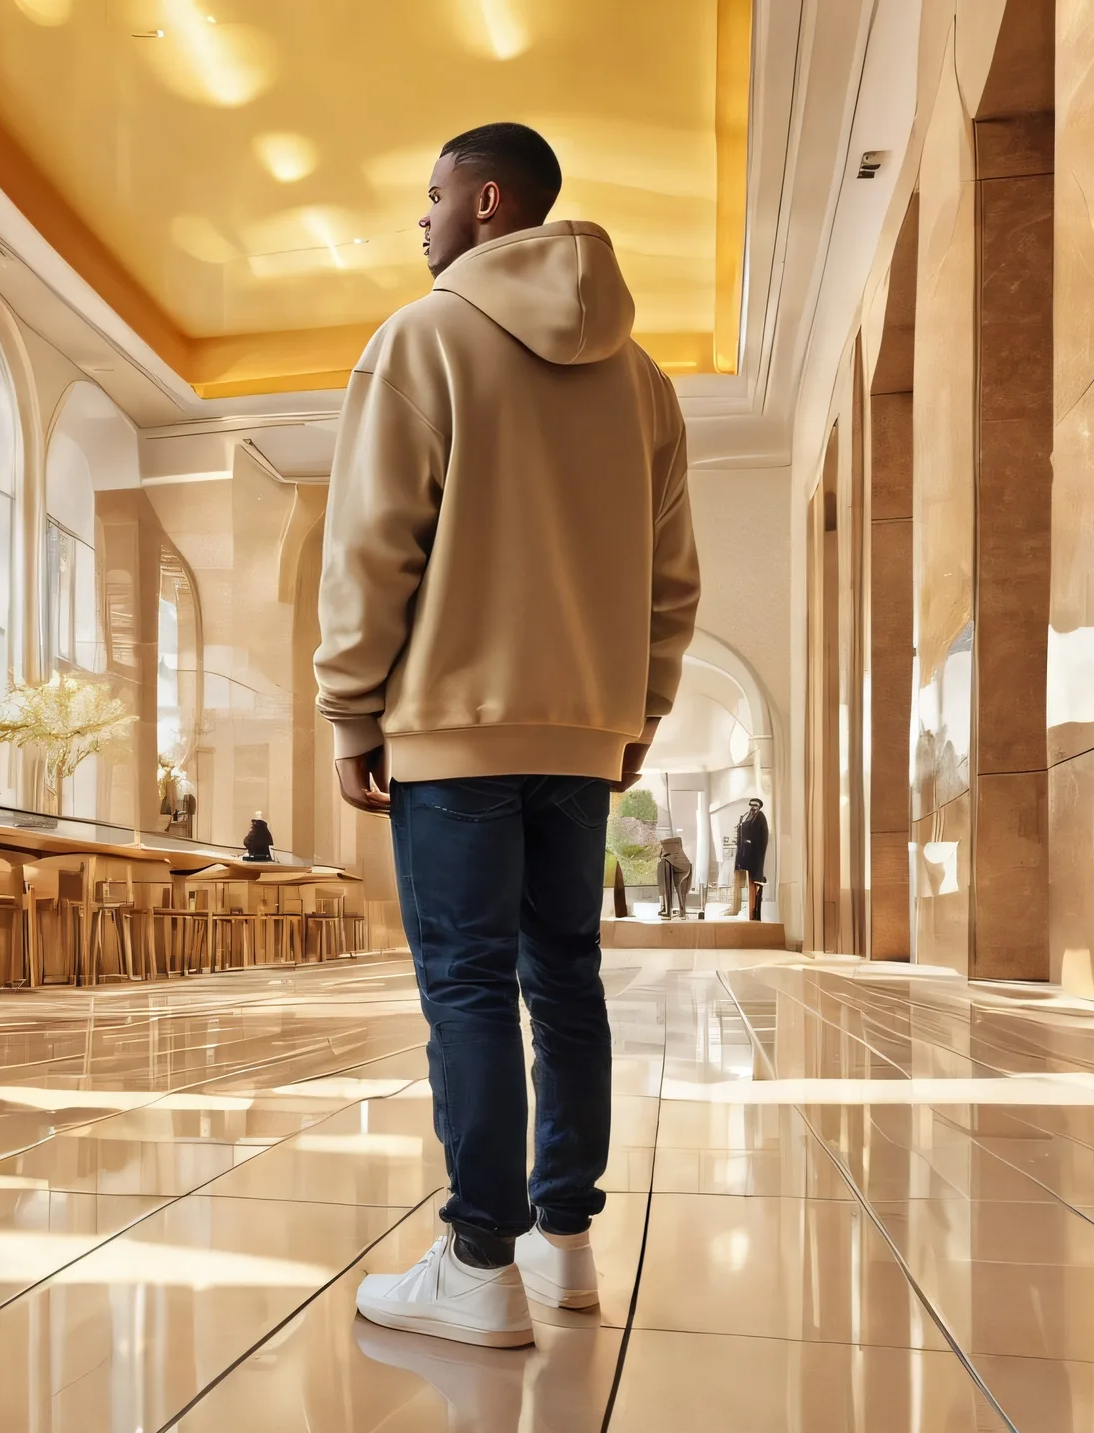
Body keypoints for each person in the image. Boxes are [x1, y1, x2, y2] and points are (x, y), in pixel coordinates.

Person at [316, 121, 698, 1348]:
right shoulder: (639, 377)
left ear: (487, 202)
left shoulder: (419, 339)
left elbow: (376, 548)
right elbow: (668, 578)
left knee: (468, 986)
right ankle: (562, 1245)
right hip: (581, 737)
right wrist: (635, 709)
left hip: (451, 732)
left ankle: (476, 1264)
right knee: (565, 980)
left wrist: (349, 707)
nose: (418, 221)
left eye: (430, 197)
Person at [731, 798, 768, 920]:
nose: (752, 807)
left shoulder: (760, 817)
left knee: (752, 882)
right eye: (751, 804)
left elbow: (763, 838)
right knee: (738, 880)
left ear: (759, 806)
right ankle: (735, 907)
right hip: (743, 853)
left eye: (755, 805)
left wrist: (752, 844)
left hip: (753, 855)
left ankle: (752, 911)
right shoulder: (746, 816)